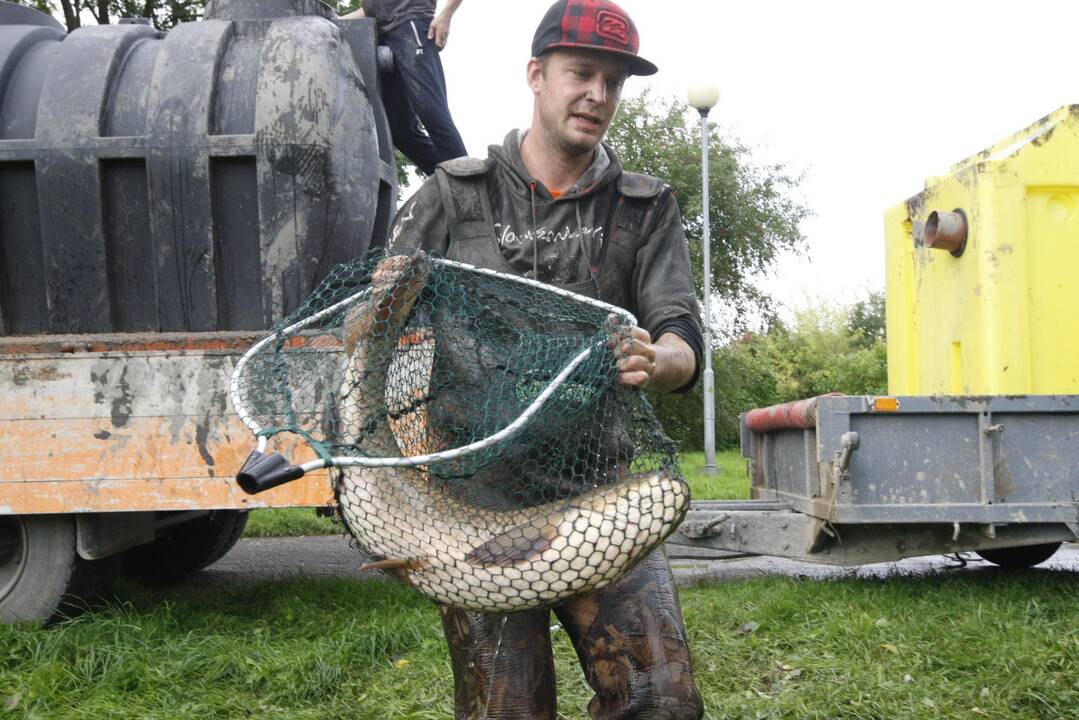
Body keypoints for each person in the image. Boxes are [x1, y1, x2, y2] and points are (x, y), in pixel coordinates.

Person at [387, 1, 705, 717]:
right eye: (581, 73)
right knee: (507, 710)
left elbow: (681, 333)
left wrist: (662, 360)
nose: (597, 94)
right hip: (478, 509)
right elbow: (374, 325)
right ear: (536, 75)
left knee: (662, 700)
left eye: (613, 82)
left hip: (601, 499)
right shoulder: (452, 194)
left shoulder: (644, 208)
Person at [342, 0, 468, 175]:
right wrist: (330, 21)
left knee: (431, 112)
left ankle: (470, 183)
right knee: (399, 130)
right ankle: (446, 182)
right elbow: (371, 9)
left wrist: (446, 15)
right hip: (380, 35)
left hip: (411, 23)